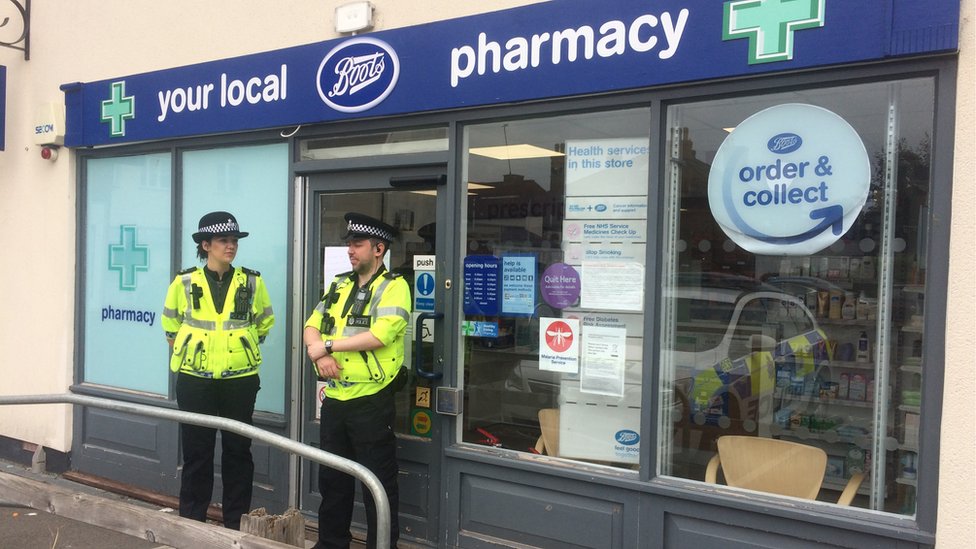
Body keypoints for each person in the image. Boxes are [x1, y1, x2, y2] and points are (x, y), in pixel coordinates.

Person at [161, 211, 275, 530]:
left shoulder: (252, 282)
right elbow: (170, 325)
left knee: (239, 452)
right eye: (225, 240)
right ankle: (192, 525)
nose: (231, 246)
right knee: (198, 453)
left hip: (239, 381)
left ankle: (235, 526)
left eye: (234, 240)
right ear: (206, 245)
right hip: (195, 381)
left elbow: (264, 323)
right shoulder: (184, 282)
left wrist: (240, 349)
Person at [304, 212, 411, 549]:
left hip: (371, 401)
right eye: (349, 243)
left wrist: (329, 345)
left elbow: (379, 336)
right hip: (335, 399)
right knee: (332, 481)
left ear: (378, 249)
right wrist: (318, 353)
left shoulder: (395, 287)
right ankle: (331, 544)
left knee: (378, 485)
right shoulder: (339, 285)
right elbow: (311, 325)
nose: (350, 250)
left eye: (357, 244)